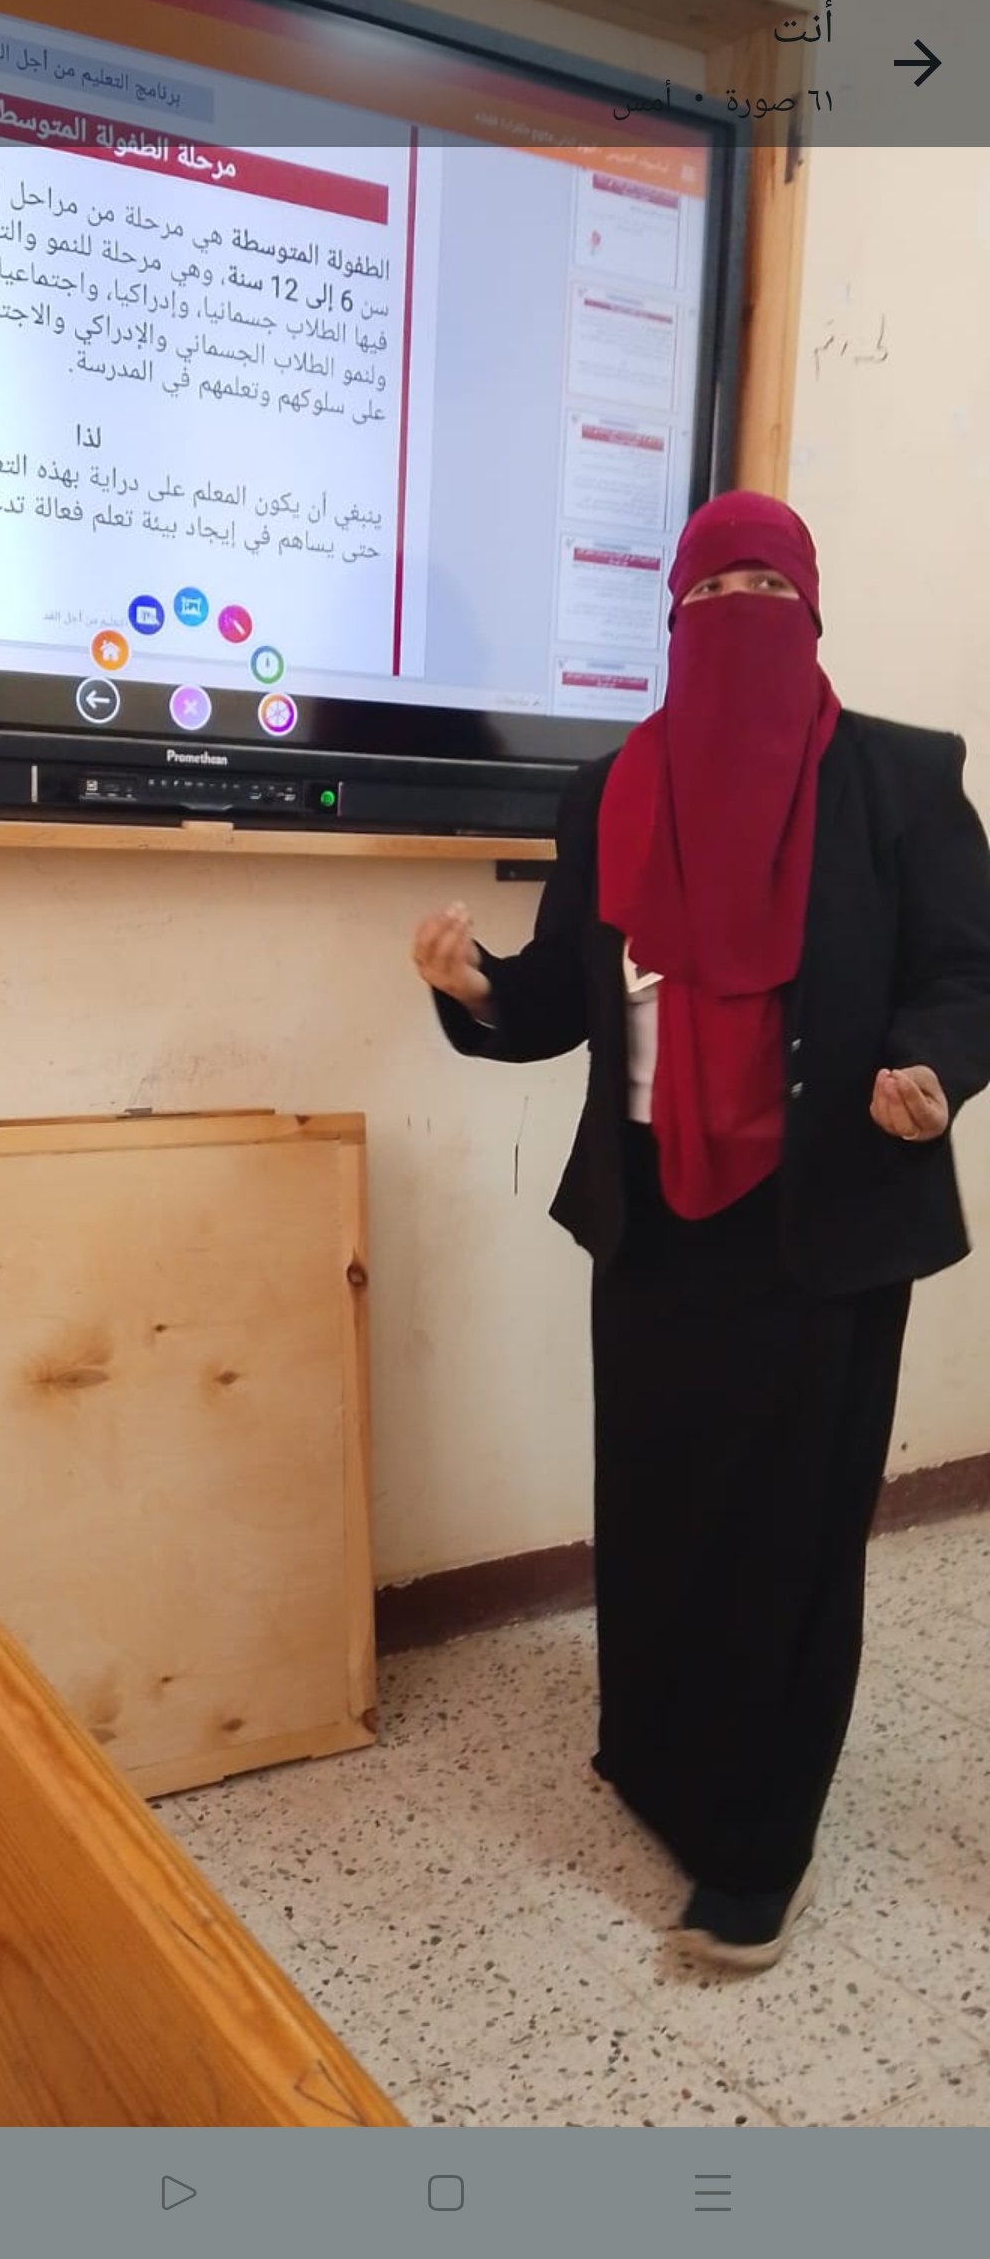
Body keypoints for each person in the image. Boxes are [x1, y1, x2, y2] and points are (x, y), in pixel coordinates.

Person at [412, 490, 990, 1971]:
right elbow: (565, 992)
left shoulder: (901, 777)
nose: (739, 613)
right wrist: (477, 986)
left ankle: (758, 1846)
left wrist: (933, 1068)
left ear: (811, 610)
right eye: (711, 590)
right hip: (655, 1211)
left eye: (766, 587)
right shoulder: (610, 789)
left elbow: (966, 970)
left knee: (792, 1533)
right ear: (672, 619)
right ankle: (664, 1763)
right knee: (662, 1502)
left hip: (827, 1217)